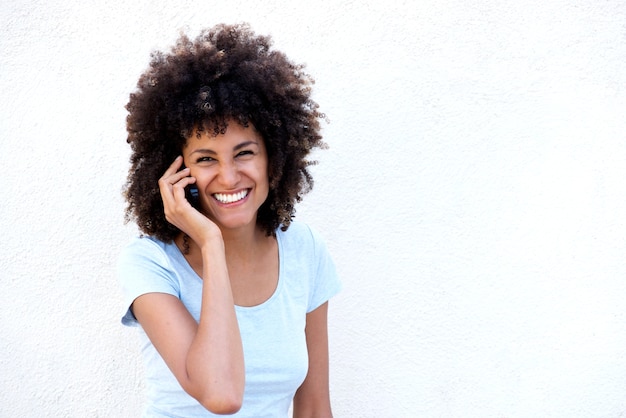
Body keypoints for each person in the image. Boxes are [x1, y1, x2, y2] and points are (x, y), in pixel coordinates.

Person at [118, 23, 341, 417]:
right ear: (176, 170)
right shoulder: (150, 262)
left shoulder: (304, 250)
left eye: (244, 153)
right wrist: (211, 243)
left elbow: (313, 407)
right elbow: (221, 394)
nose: (229, 176)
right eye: (206, 159)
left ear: (274, 155)